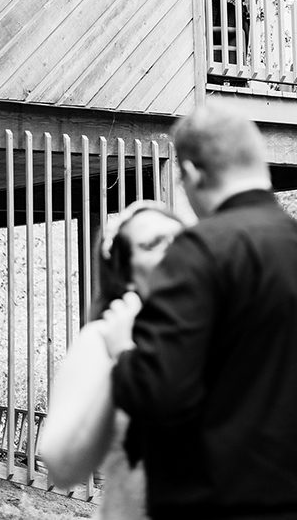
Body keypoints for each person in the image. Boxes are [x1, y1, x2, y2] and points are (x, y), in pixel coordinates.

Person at [104, 103, 297, 520]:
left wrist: (124, 354)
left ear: (191, 173)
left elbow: (161, 393)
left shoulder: (201, 252)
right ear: (258, 163)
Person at [38, 200, 186, 519]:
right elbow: (60, 465)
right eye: (153, 243)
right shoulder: (100, 342)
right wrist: (121, 360)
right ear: (129, 275)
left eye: (182, 239)